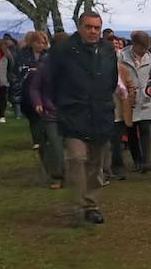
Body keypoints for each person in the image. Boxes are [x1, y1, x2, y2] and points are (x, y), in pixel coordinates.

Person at [49, 11, 116, 224]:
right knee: (77, 159)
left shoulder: (107, 50)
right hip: (73, 113)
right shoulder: (63, 50)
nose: (93, 31)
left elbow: (112, 79)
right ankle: (76, 206)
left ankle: (91, 205)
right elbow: (53, 80)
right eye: (89, 27)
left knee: (96, 164)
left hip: (100, 113)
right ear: (80, 27)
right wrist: (62, 104)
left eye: (97, 27)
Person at [24, 31, 64, 188]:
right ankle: (57, 176)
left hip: (71, 111)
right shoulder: (44, 66)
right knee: (54, 145)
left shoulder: (75, 65)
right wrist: (38, 103)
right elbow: (34, 88)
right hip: (49, 111)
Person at [119, 30, 151, 174]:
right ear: (134, 44)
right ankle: (137, 160)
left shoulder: (150, 58)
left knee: (145, 129)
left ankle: (146, 161)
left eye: (146, 48)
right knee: (131, 131)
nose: (144, 51)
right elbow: (118, 77)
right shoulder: (122, 57)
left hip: (145, 98)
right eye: (142, 48)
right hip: (128, 98)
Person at [107, 37, 133, 183]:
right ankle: (104, 169)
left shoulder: (122, 69)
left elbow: (130, 86)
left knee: (116, 142)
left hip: (118, 111)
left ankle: (117, 167)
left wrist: (131, 99)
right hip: (103, 110)